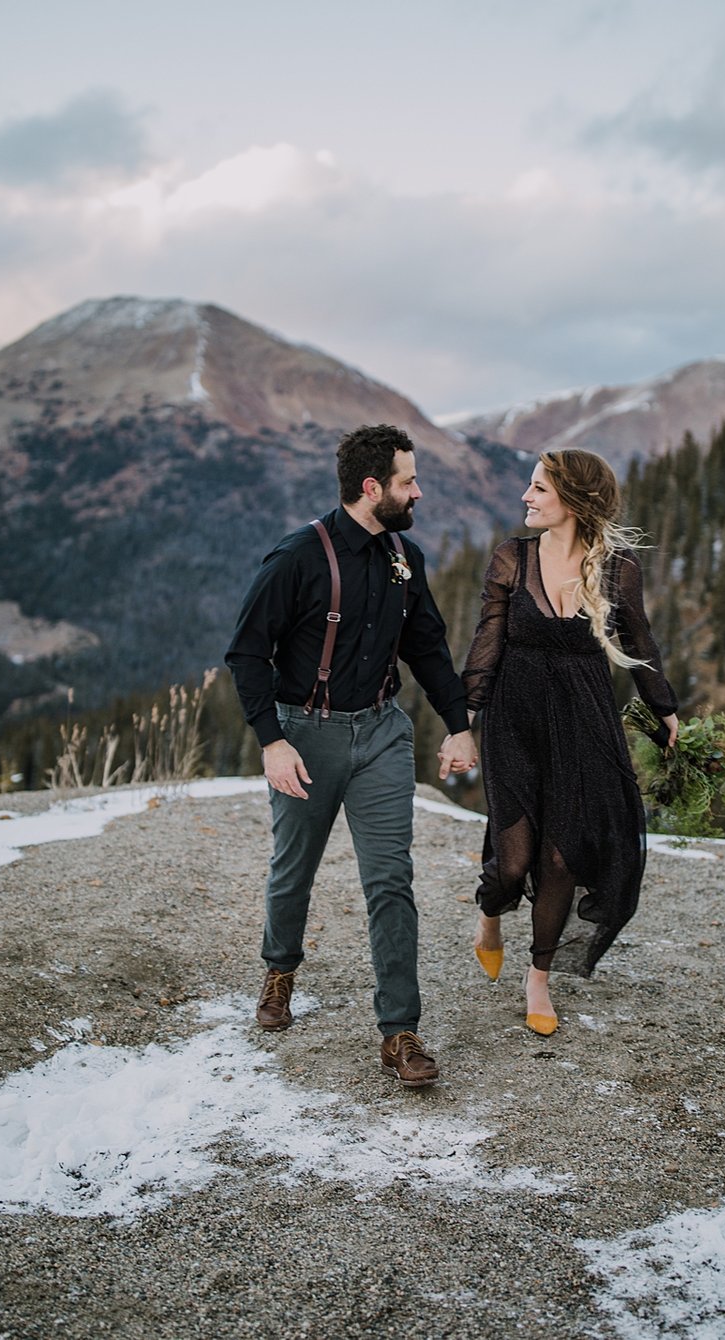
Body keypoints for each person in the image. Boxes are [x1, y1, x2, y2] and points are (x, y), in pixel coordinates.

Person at [226, 423, 478, 1086]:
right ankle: (279, 971)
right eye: (407, 482)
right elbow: (247, 653)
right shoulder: (296, 558)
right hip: (304, 737)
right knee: (293, 871)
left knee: (391, 880)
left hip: (383, 734)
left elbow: (427, 648)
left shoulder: (406, 558)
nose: (418, 492)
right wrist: (271, 741)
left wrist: (458, 725)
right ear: (373, 489)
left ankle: (400, 1033)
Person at [462, 448, 678, 1035]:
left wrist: (665, 710)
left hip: (584, 718)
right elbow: (488, 641)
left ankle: (539, 977)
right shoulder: (512, 557)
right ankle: (491, 910)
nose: (526, 498)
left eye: (538, 489)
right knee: (513, 861)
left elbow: (640, 644)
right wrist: (465, 718)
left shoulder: (616, 567)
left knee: (561, 853)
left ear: (573, 501)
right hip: (515, 717)